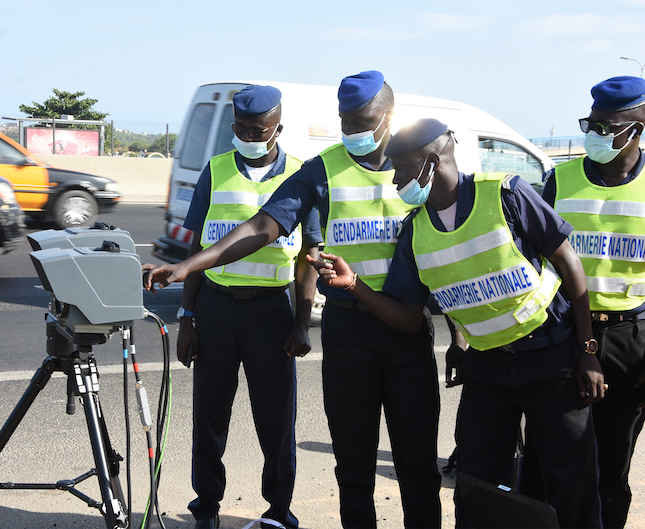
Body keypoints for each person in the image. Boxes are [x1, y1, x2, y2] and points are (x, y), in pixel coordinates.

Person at [145, 71, 442, 529]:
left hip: (406, 332)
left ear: (389, 117)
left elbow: (458, 249)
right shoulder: (321, 170)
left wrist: (460, 333)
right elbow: (263, 227)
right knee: (354, 465)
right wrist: (187, 269)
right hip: (349, 332)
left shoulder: (418, 168)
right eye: (345, 123)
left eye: (362, 123)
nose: (352, 133)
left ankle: (281, 510)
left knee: (418, 464)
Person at [307, 118, 605, 528]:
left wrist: (588, 351)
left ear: (431, 162)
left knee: (572, 485)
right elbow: (411, 319)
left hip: (551, 358)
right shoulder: (415, 232)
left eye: (401, 168)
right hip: (487, 372)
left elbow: (569, 262)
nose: (394, 180)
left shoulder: (506, 195)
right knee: (477, 486)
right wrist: (354, 284)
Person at [164, 84, 320, 529]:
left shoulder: (300, 175)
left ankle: (278, 510)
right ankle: (207, 507)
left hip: (271, 314)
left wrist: (302, 324)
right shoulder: (215, 171)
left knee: (275, 420)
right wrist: (187, 318)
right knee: (210, 417)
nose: (249, 136)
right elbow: (196, 250)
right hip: (216, 308)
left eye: (258, 130)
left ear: (278, 129)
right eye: (241, 129)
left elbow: (310, 254)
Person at [520, 75, 645, 528]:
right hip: (562, 335)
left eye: (606, 127)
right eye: (590, 124)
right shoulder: (560, 180)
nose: (593, 135)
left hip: (631, 340)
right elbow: (533, 260)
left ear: (638, 126)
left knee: (610, 469)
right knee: (540, 461)